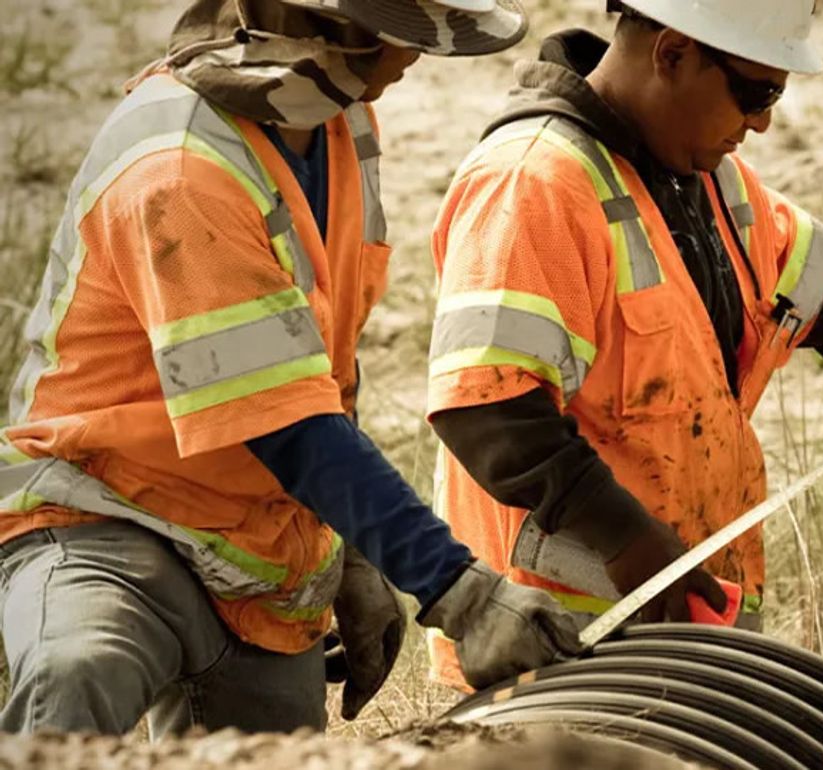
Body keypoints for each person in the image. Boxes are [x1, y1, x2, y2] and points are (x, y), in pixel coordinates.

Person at [0, 0, 580, 736]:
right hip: (108, 511)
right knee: (80, 669)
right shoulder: (180, 167)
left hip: (255, 545)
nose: (418, 52)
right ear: (327, 24)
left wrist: (353, 549)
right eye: (406, 27)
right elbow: (289, 425)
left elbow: (318, 363)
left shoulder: (341, 121)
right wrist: (457, 590)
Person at [425, 0, 823, 687]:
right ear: (674, 53)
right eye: (756, 93)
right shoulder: (533, 183)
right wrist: (628, 540)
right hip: (556, 653)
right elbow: (487, 411)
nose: (763, 122)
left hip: (679, 638)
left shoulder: (705, 179)